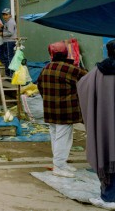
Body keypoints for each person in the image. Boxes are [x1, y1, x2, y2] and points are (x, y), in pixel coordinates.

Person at [37, 41, 87, 178]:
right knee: (63, 138)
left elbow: (40, 87)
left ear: (51, 54)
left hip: (49, 108)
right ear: (65, 53)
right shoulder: (69, 68)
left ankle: (60, 163)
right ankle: (59, 166)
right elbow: (87, 78)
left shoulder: (46, 68)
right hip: (65, 111)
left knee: (55, 136)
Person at [77, 39, 115, 209]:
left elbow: (82, 86)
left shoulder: (99, 72)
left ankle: (109, 198)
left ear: (108, 52)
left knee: (108, 157)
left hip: (106, 124)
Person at [0, 8, 17, 77]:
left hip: (10, 42)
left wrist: (2, 34)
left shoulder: (10, 22)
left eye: (6, 15)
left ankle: (10, 74)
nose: (4, 16)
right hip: (7, 41)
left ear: (10, 15)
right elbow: (6, 29)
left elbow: (10, 33)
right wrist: (1, 27)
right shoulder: (7, 22)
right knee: (0, 51)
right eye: (3, 15)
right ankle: (7, 69)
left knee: (8, 57)